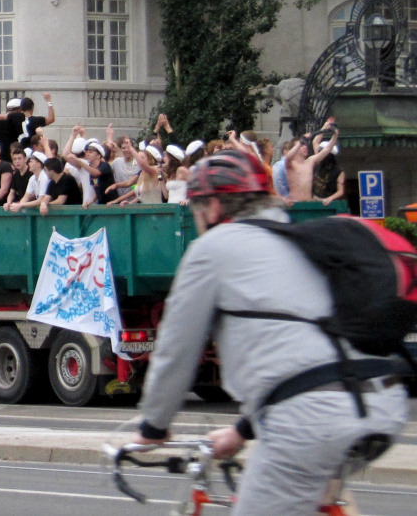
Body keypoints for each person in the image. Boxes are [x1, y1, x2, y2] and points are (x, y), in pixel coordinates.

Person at [133, 150, 408, 516]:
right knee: (319, 496)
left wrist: (154, 426)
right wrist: (242, 431)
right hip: (382, 401)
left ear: (213, 207)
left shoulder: (212, 249)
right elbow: (306, 354)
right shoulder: (299, 240)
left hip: (311, 420)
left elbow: (176, 349)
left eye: (196, 211)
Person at [285, 123, 339, 203]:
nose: (305, 147)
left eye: (305, 145)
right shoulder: (291, 164)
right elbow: (288, 157)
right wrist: (300, 142)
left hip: (308, 202)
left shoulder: (310, 161)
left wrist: (335, 135)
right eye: (302, 145)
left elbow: (327, 149)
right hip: (295, 202)